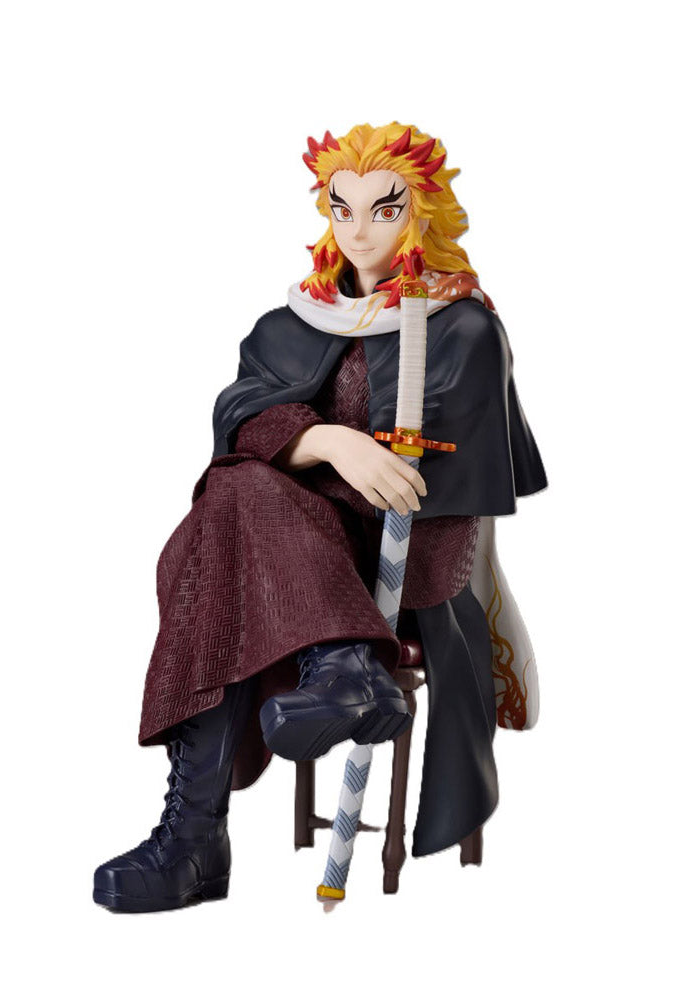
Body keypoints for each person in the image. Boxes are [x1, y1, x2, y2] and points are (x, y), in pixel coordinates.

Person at [93, 122, 547, 913]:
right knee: (235, 499)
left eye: (384, 210)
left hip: (407, 566)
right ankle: (344, 672)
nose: (359, 231)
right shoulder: (294, 324)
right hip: (286, 557)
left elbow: (461, 486)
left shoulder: (464, 328)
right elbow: (238, 422)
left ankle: (196, 840)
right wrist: (331, 441)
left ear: (422, 213)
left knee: (229, 523)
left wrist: (363, 466)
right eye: (343, 209)